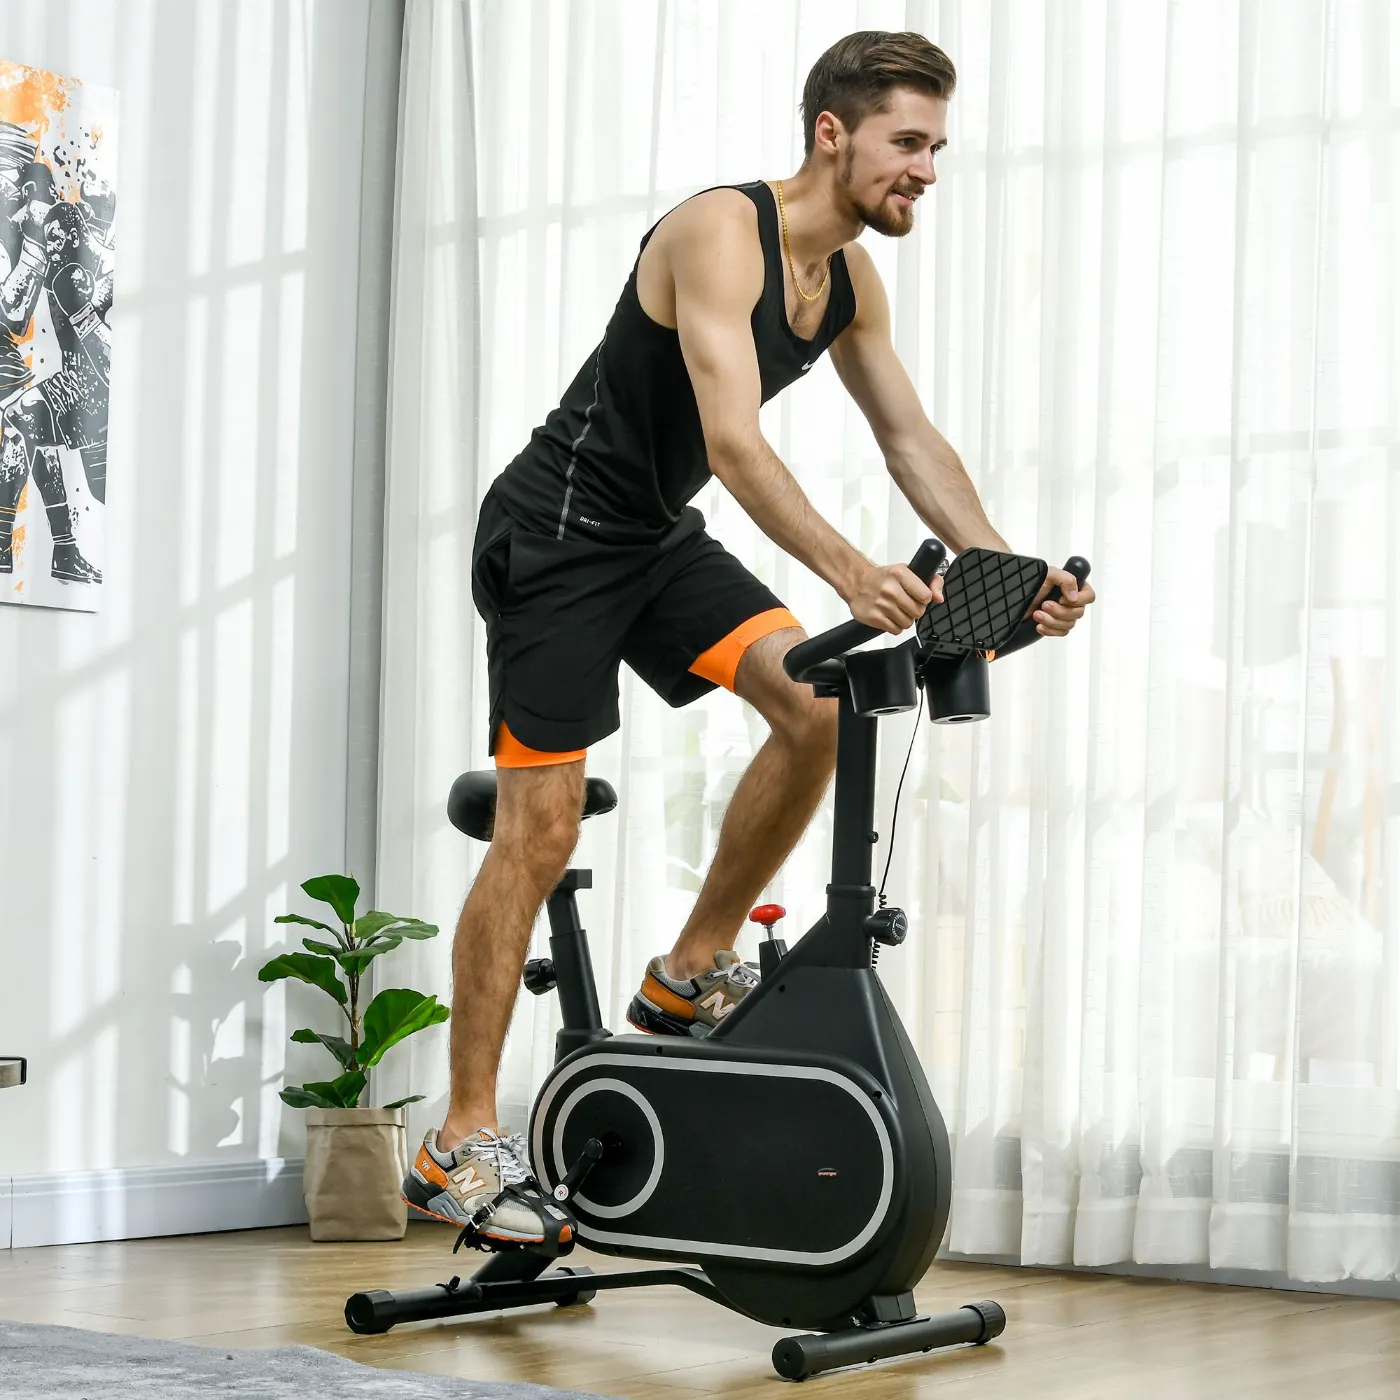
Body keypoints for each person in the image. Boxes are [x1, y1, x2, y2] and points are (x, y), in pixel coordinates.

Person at [402, 30, 1096, 1244]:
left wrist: (1003, 570)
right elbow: (732, 444)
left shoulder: (848, 281)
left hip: (651, 535)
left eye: (936, 146)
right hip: (556, 533)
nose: (926, 169)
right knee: (540, 827)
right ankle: (457, 1136)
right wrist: (851, 570)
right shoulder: (720, 231)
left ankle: (688, 964)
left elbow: (909, 439)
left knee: (817, 707)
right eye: (906, 141)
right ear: (831, 131)